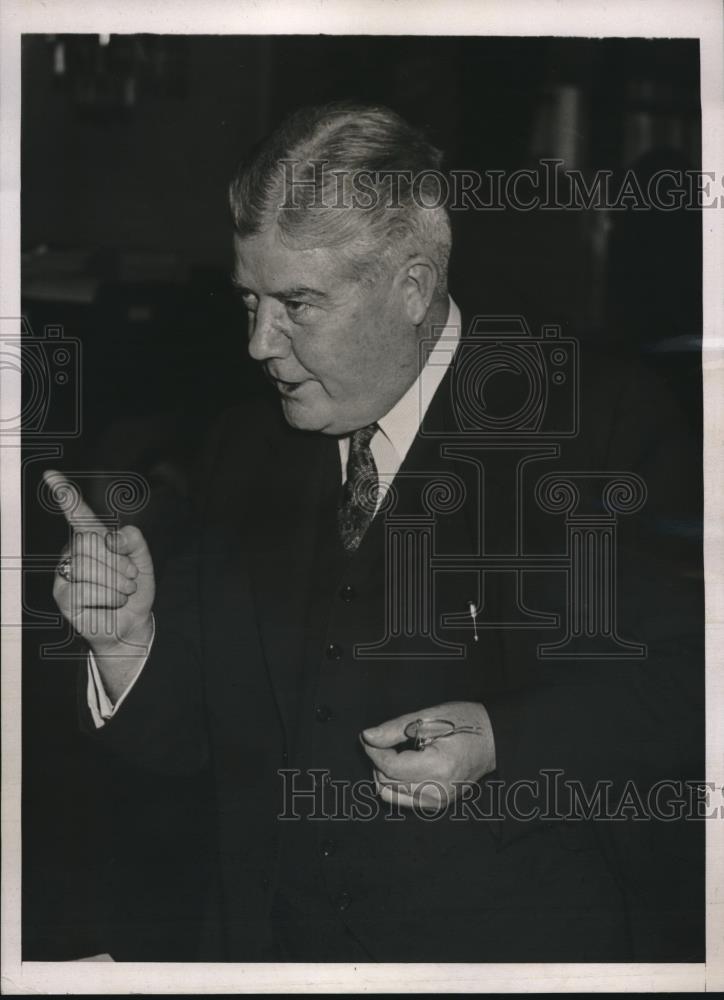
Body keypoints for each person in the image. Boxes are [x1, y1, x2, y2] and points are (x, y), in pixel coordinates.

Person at [44, 102, 703, 962]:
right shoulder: (244, 451)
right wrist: (127, 645)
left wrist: (510, 742)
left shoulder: (597, 429)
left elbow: (695, 690)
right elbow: (198, 743)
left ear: (413, 288)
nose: (256, 344)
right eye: (248, 299)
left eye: (296, 304)